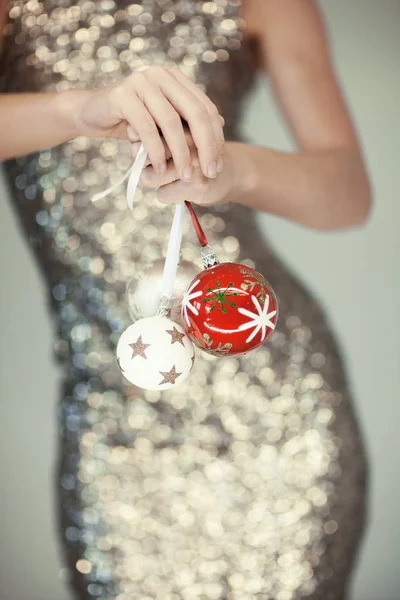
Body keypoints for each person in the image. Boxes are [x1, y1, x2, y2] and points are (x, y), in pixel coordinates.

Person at [0, 1, 371, 599]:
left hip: (277, 417)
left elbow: (348, 196)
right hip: (113, 418)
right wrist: (79, 109)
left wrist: (230, 173)